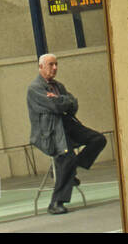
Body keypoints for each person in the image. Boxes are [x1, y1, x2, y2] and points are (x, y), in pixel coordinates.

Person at [26, 54, 106, 215]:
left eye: (56, 64)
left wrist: (60, 99)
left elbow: (73, 104)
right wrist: (63, 101)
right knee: (66, 158)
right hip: (50, 132)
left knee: (98, 139)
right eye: (50, 64)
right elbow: (56, 107)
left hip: (68, 125)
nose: (55, 68)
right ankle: (56, 203)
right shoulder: (34, 88)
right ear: (41, 67)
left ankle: (73, 169)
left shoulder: (58, 86)